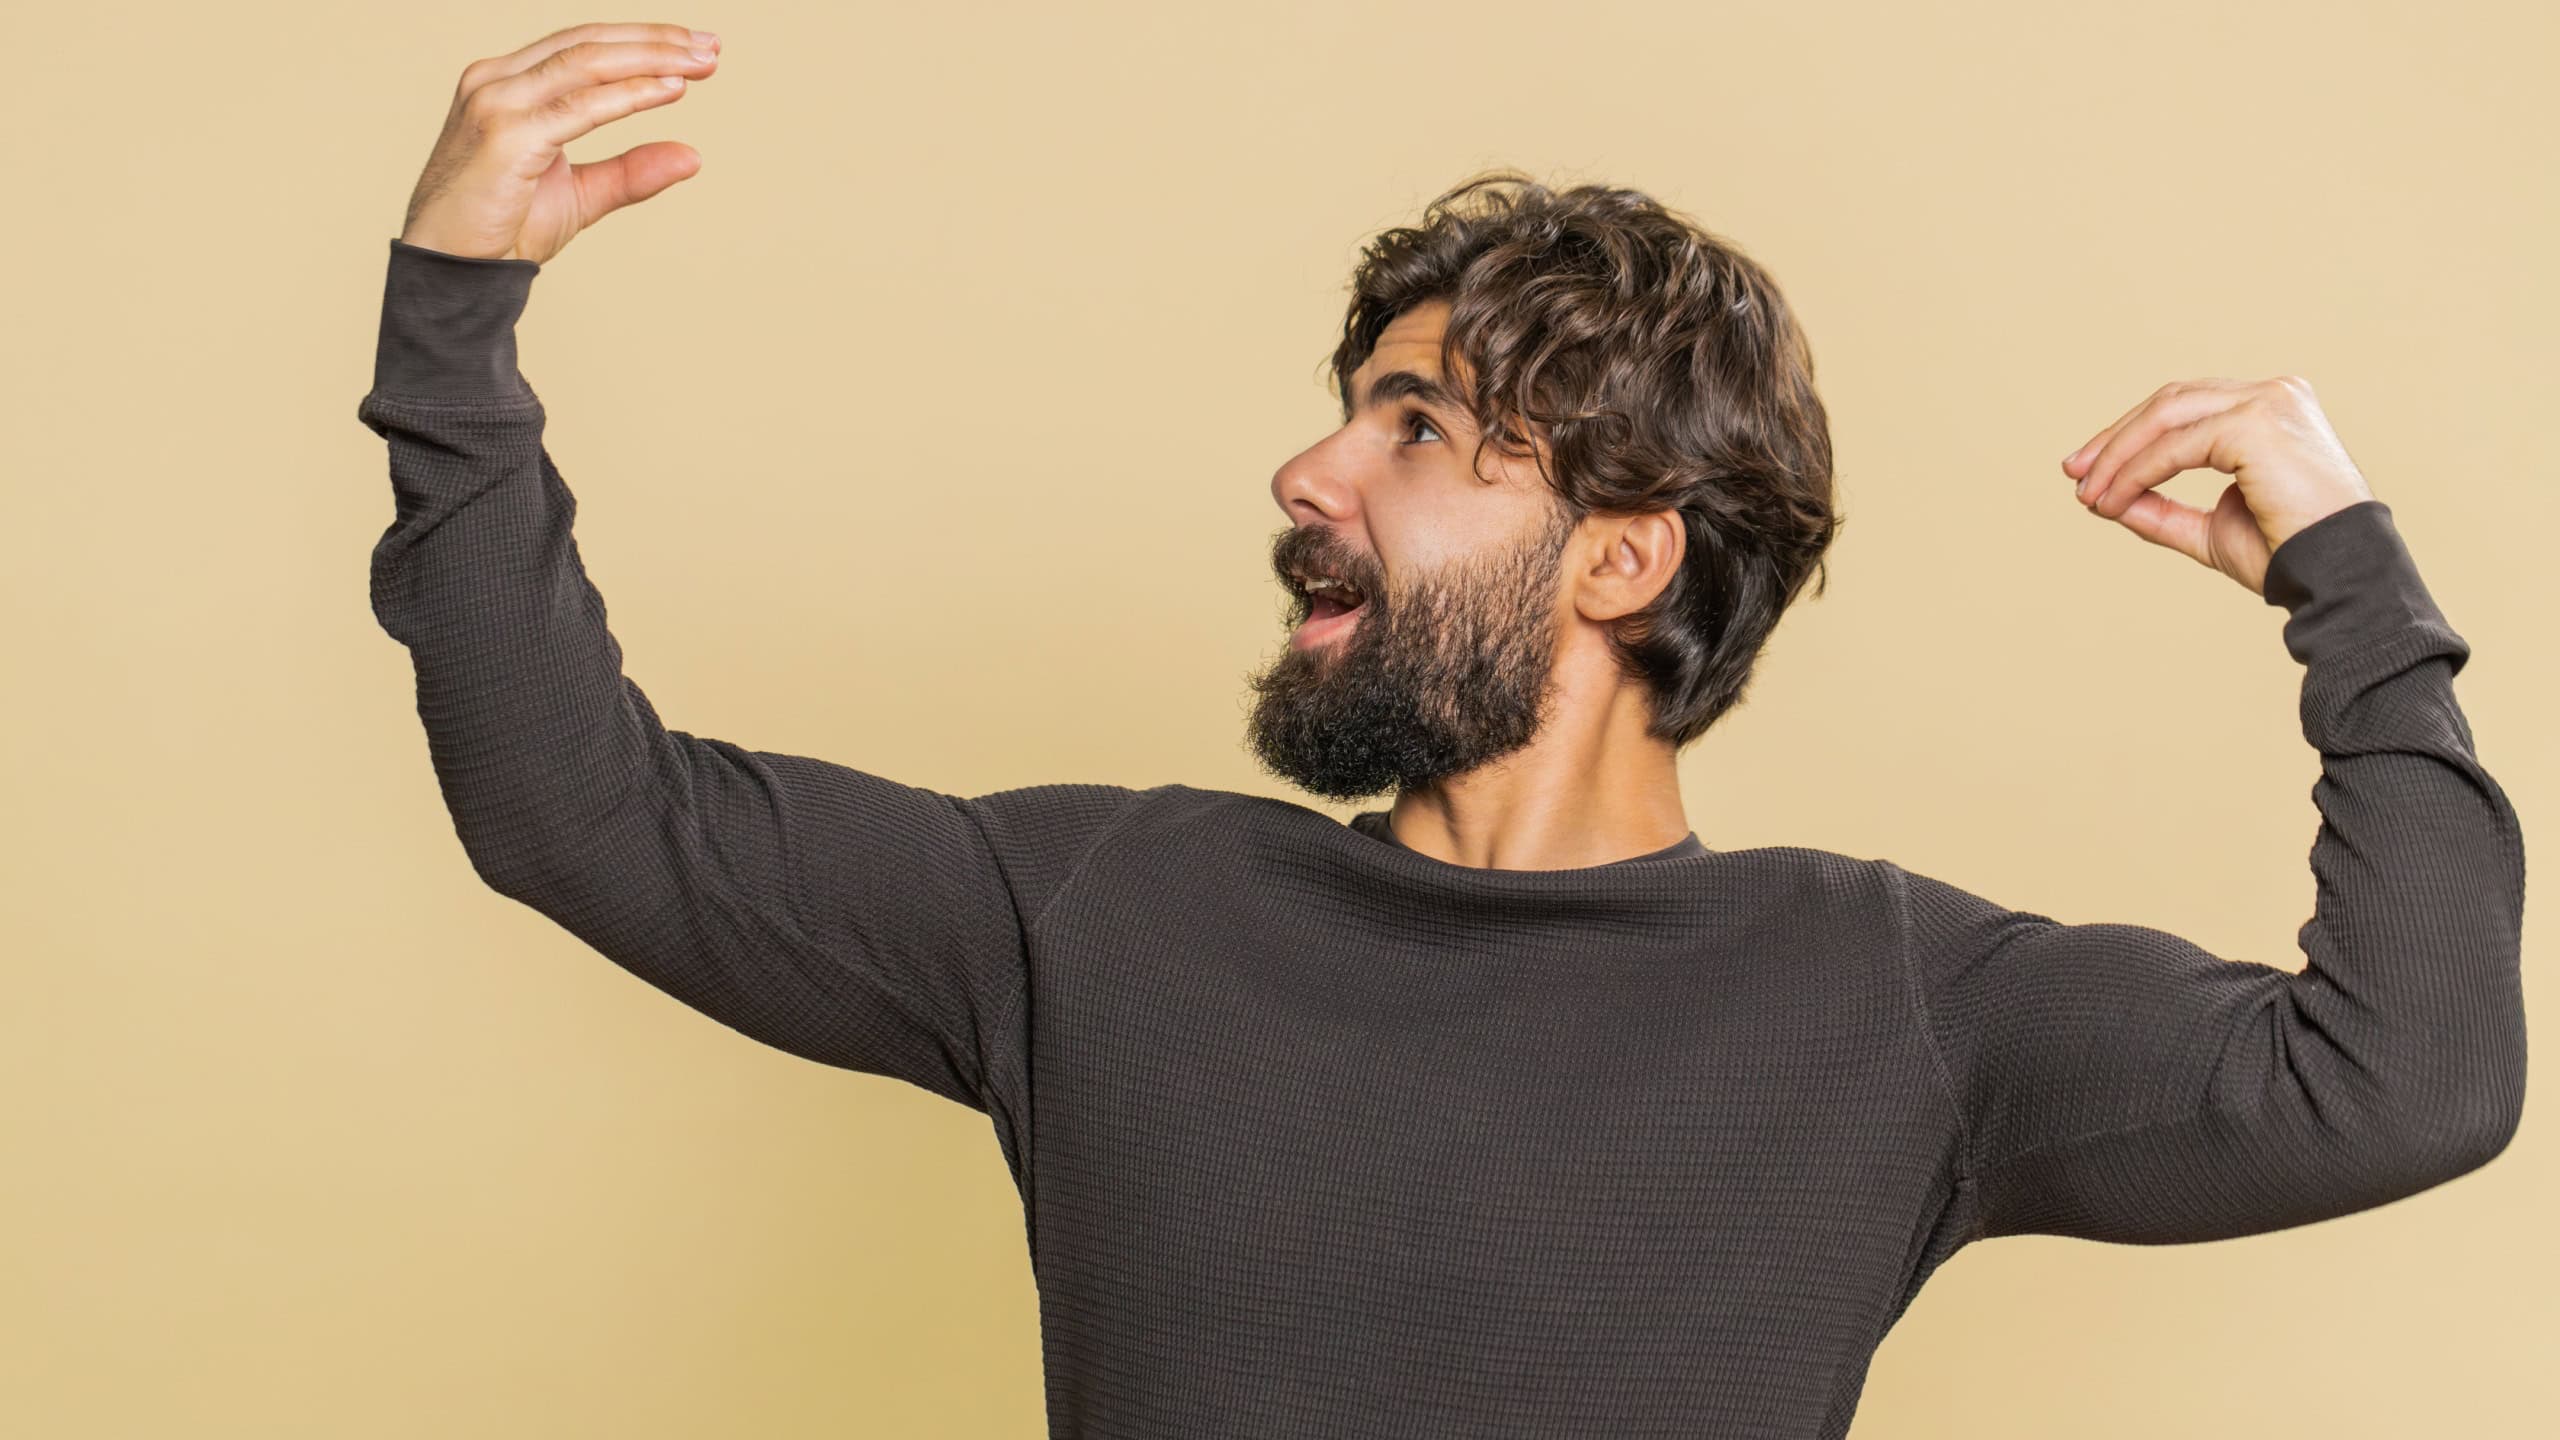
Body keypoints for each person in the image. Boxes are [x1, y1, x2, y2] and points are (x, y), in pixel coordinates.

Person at [355, 22, 2527, 1438]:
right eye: (1345, 415)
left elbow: (2405, 1084)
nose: (1308, 476)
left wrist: (2347, 581)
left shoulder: (1892, 1003)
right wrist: (454, 316)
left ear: (1620, 557)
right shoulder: (1102, 908)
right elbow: (581, 812)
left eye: (1412, 428)